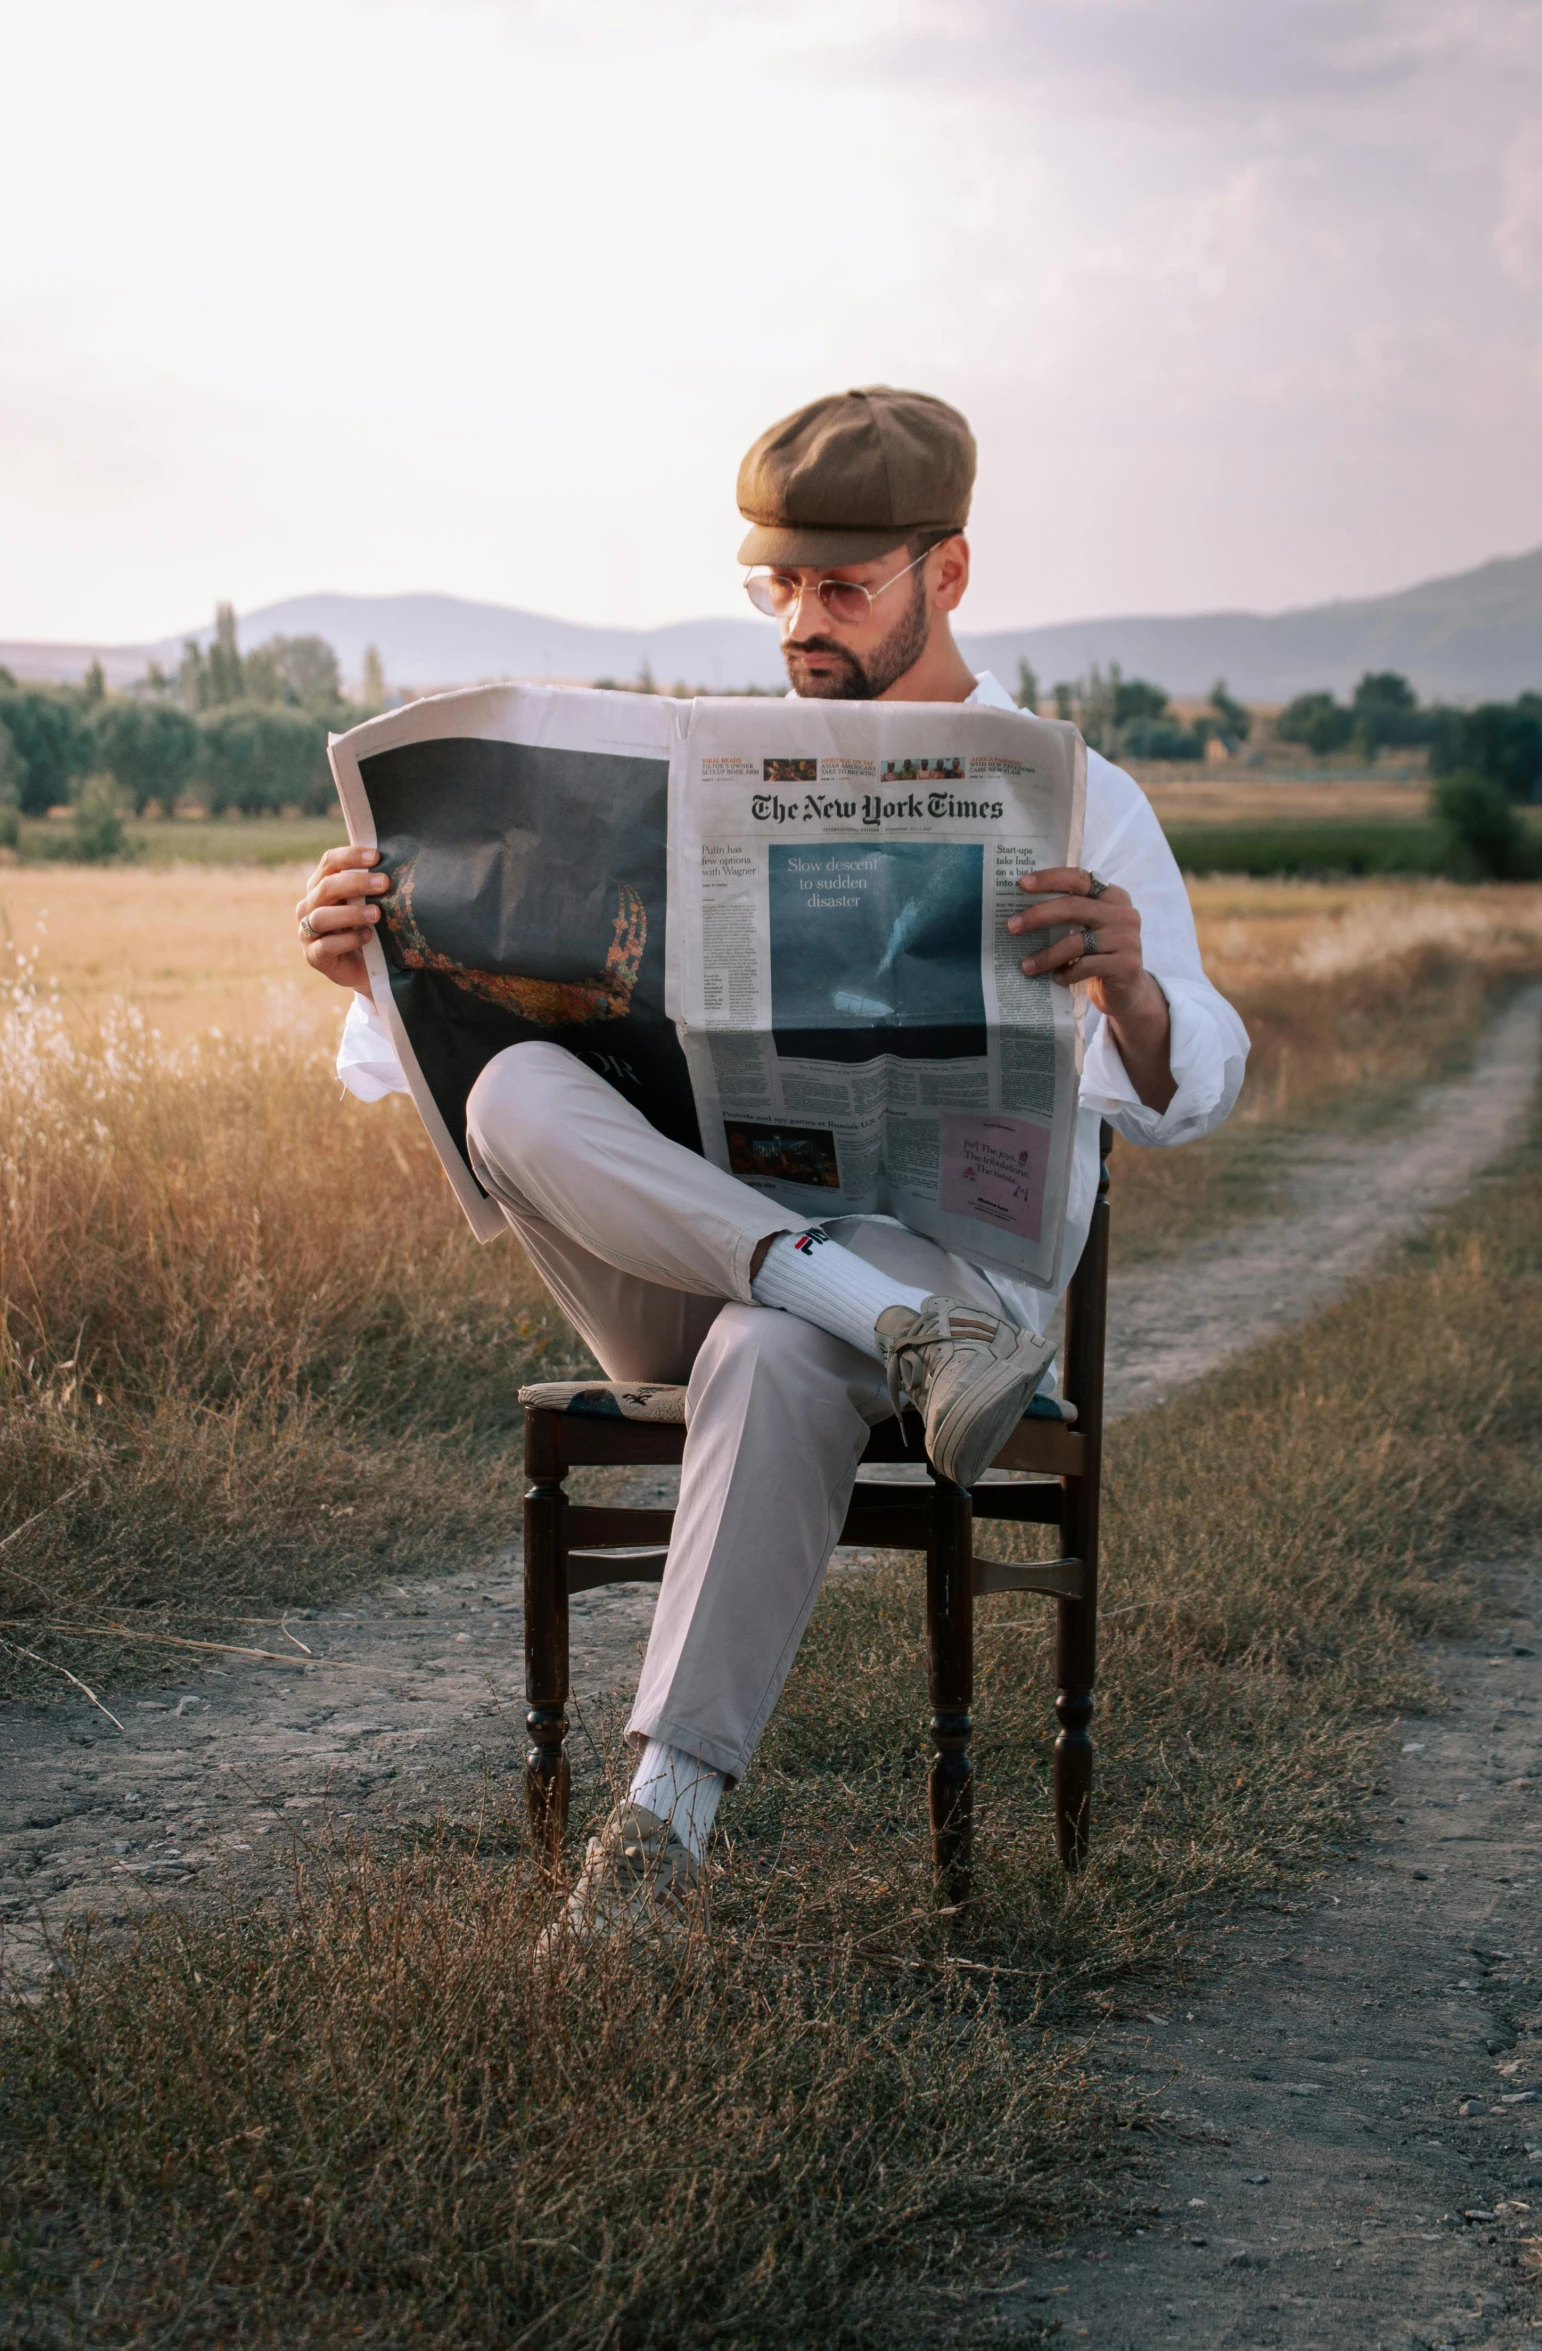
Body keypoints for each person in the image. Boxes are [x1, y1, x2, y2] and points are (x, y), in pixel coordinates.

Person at [296, 385, 1249, 1949]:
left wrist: (1131, 993)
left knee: (768, 1341)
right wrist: (376, 984)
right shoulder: (703, 773)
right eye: (777, 585)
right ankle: (843, 1293)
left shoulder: (1081, 800)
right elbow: (472, 1093)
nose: (801, 620)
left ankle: (656, 1834)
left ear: (948, 572)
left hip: (947, 1276)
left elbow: (1190, 1085)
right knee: (518, 1089)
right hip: (695, 1251)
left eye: (841, 585)